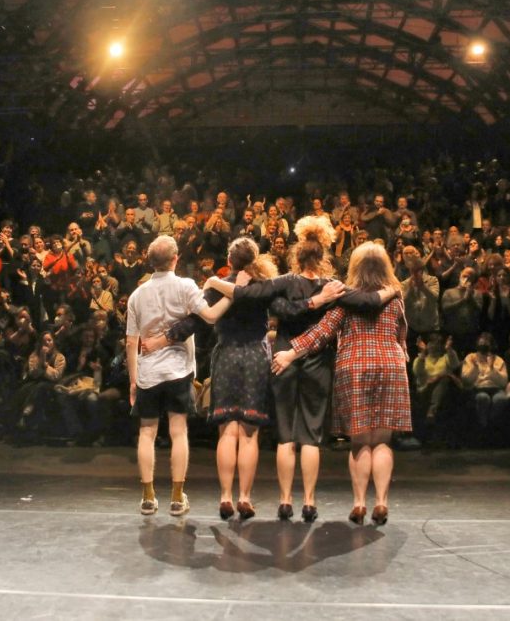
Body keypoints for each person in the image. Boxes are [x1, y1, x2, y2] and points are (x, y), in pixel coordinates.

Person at [209, 216, 392, 523]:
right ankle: (308, 501)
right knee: (310, 435)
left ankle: (284, 501)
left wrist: (215, 282)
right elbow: (370, 300)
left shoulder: (283, 283)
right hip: (318, 363)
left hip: (282, 359)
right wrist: (392, 291)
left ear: (297, 256)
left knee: (284, 435)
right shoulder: (332, 287)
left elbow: (245, 294)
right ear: (323, 258)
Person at [272, 241, 410, 526]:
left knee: (360, 441)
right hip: (391, 365)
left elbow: (322, 332)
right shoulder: (396, 298)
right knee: (382, 441)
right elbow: (402, 335)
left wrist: (290, 352)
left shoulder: (345, 299)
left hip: (355, 366)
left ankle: (359, 504)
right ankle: (381, 503)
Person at [142, 237, 277, 520]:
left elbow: (195, 321)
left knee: (227, 429)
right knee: (249, 432)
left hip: (227, 355)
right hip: (255, 355)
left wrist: (164, 339)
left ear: (229, 260)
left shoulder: (219, 286)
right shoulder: (264, 286)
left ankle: (226, 496)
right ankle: (244, 497)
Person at [125, 235, 232, 516]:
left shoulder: (137, 295)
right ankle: (176, 496)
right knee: (178, 431)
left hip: (148, 371)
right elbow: (208, 316)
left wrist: (133, 382)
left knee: (147, 433)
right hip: (177, 370)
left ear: (151, 262)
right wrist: (233, 294)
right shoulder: (185, 286)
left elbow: (130, 342)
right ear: (176, 259)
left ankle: (148, 497)